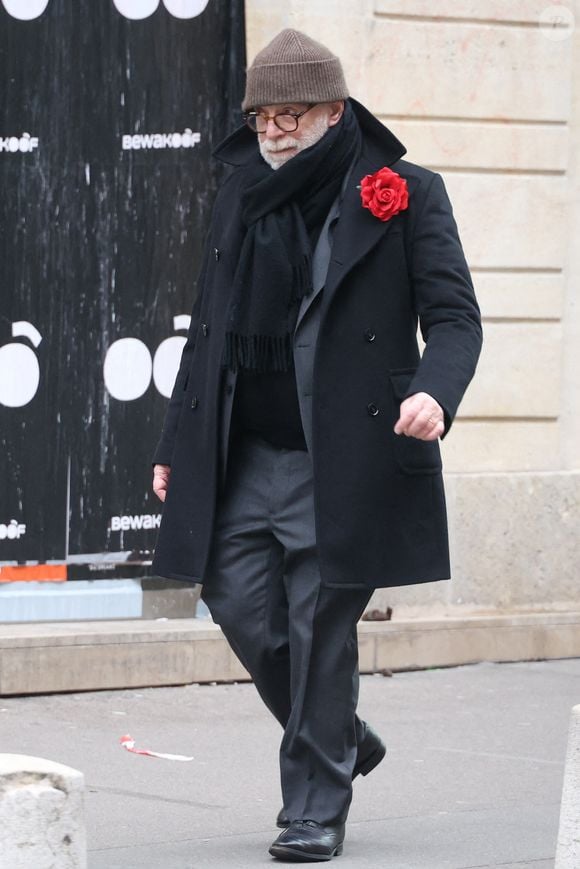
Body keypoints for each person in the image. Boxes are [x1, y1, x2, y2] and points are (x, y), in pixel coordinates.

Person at [151, 28, 482, 862]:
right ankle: (341, 729)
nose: (275, 130)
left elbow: (453, 317)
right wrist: (171, 445)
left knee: (319, 626)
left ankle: (312, 808)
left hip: (347, 457)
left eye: (293, 114)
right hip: (245, 452)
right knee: (234, 600)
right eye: (263, 115)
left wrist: (434, 392)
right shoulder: (238, 194)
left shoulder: (403, 193)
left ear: (336, 113)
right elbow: (207, 335)